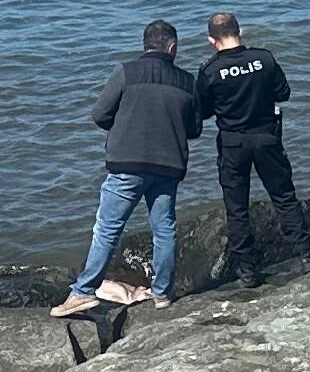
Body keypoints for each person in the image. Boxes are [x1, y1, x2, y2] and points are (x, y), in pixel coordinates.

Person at [52, 21, 204, 318]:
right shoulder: (187, 81)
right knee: (164, 230)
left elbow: (100, 114)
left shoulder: (125, 72)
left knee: (108, 229)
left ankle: (83, 292)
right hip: (169, 165)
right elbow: (194, 129)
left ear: (144, 45)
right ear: (172, 48)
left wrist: (123, 124)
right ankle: (162, 293)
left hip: (127, 163)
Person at [193, 9, 310, 291]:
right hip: (267, 137)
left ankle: (248, 271)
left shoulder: (209, 71)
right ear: (240, 31)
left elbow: (204, 111)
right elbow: (284, 93)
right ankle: (307, 256)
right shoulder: (264, 58)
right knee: (284, 196)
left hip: (233, 143)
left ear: (211, 41)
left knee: (237, 208)